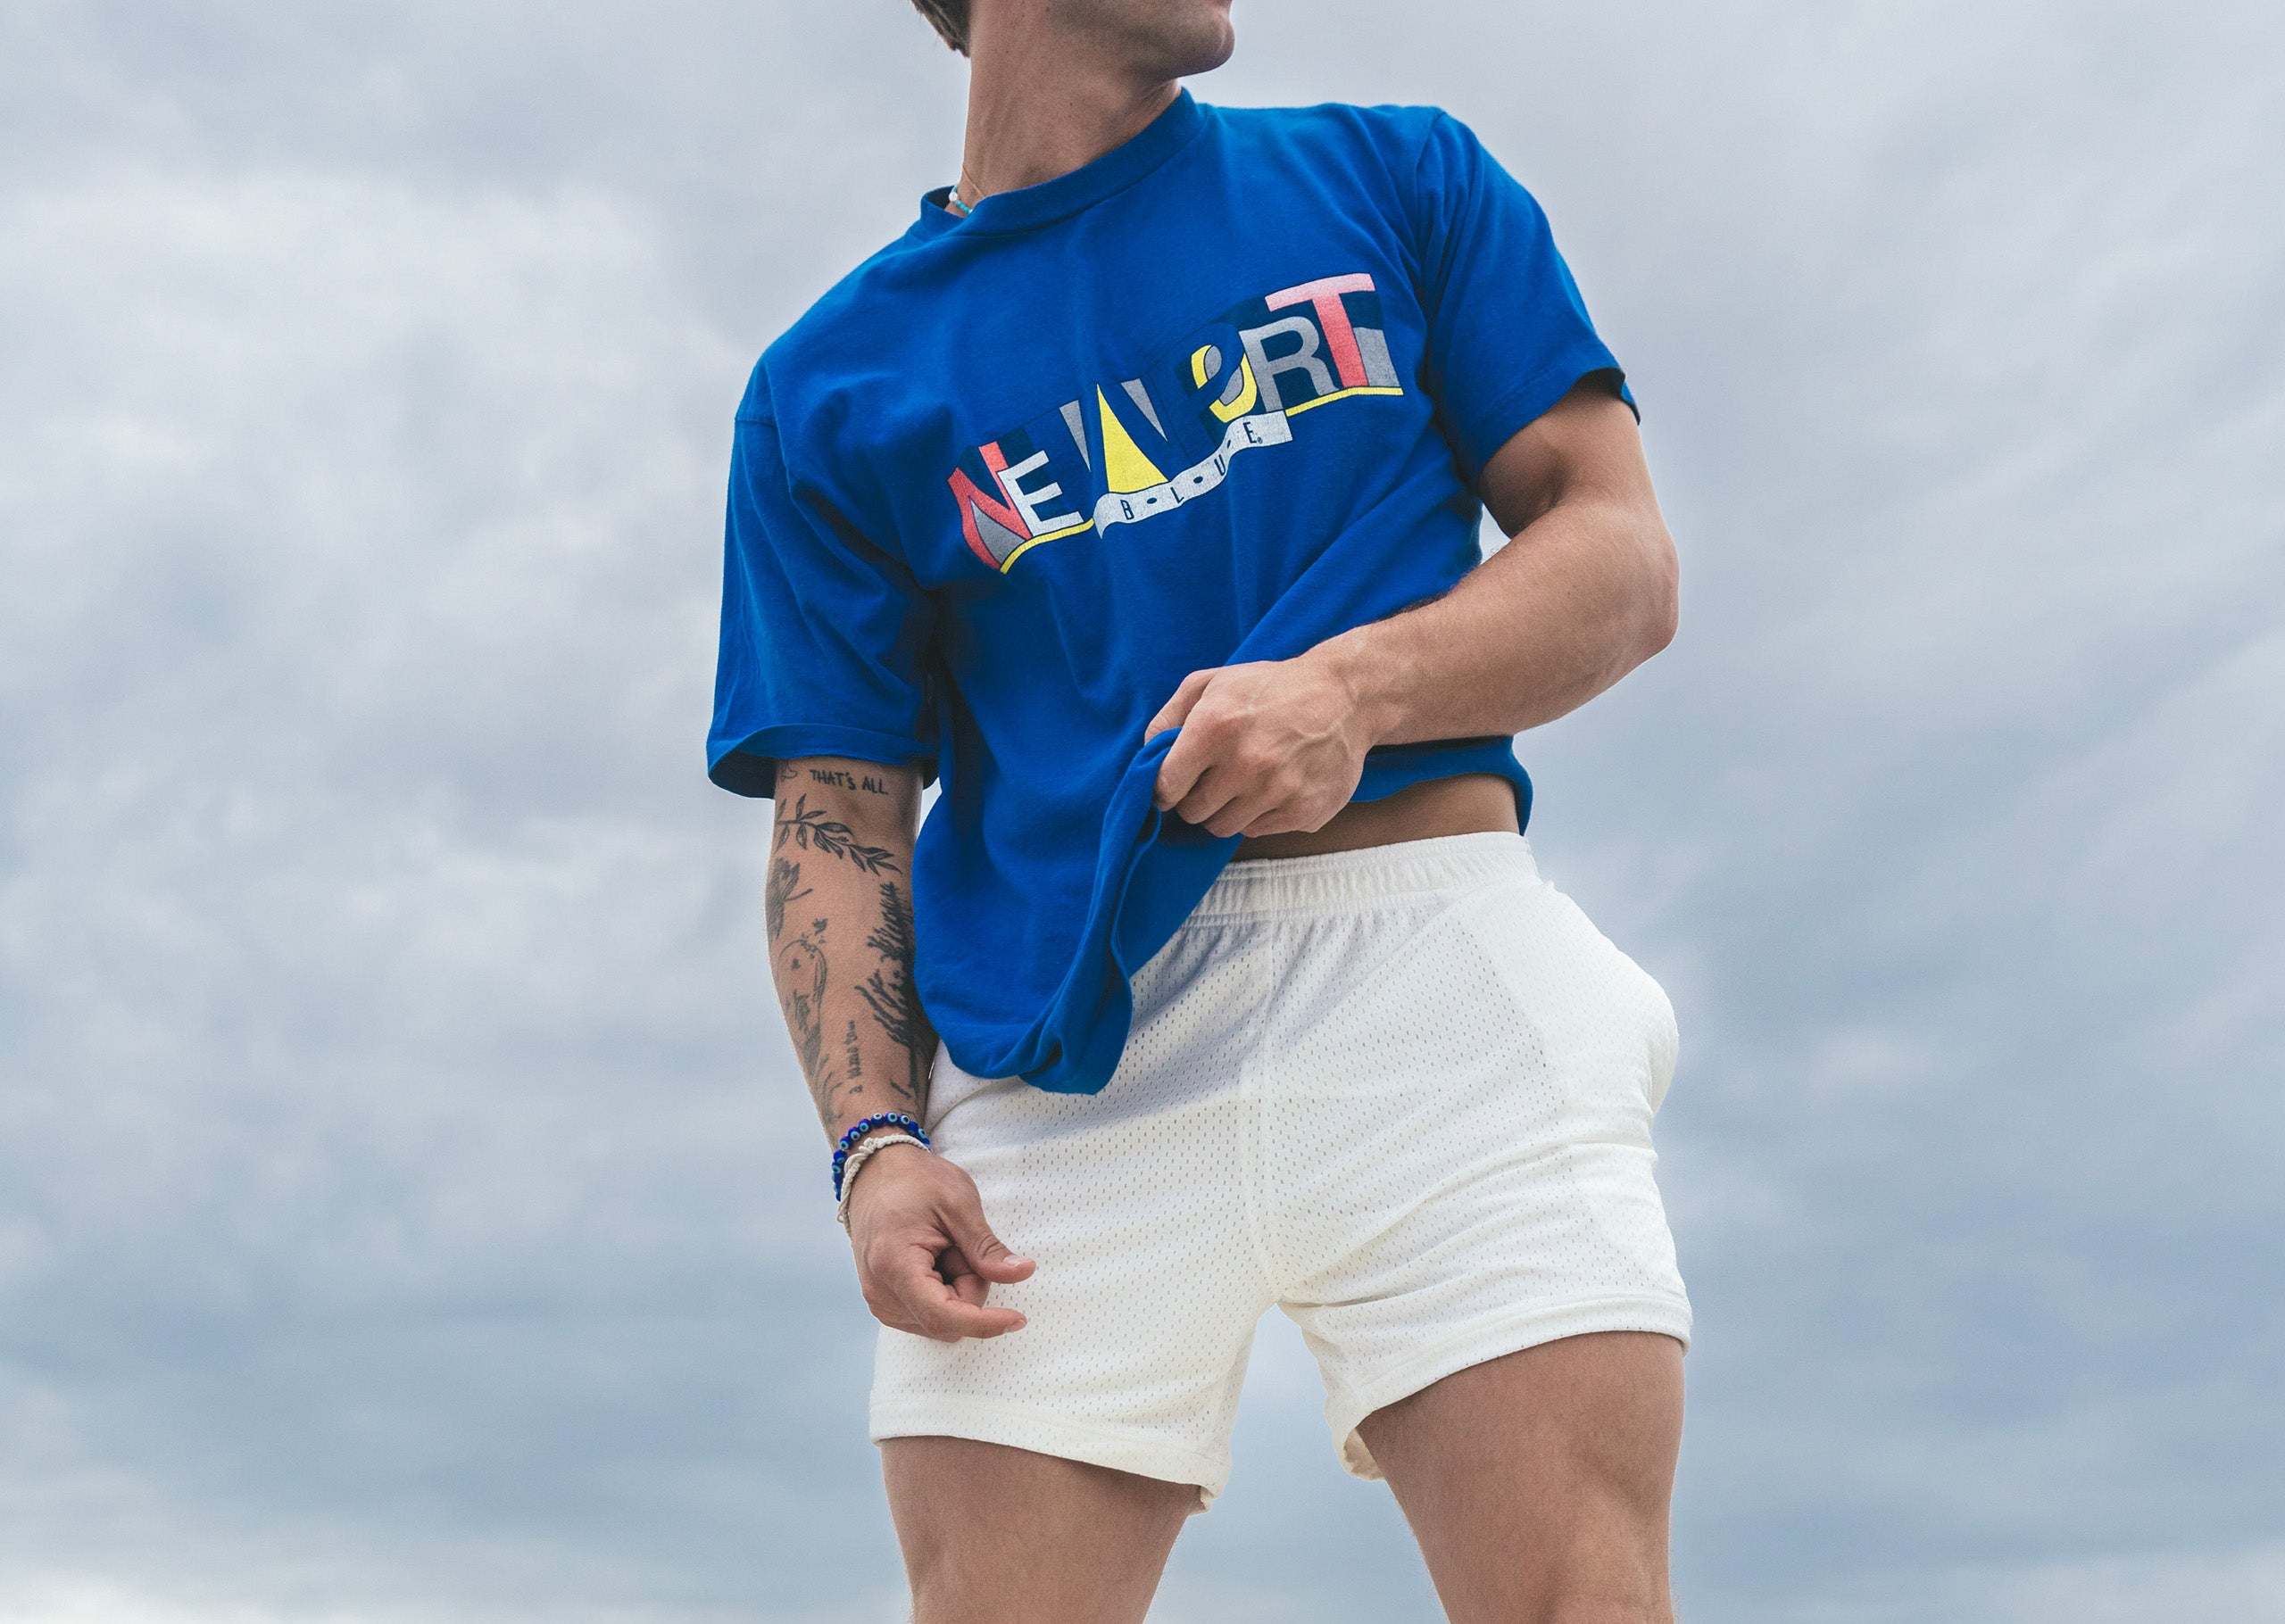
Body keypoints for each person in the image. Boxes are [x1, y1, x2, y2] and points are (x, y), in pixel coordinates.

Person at [706, 1, 1691, 1618]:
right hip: (1060, 1069)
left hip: (1434, 988)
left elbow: (1622, 558)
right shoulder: (831, 384)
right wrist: (874, 1146)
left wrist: (1358, 690)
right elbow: (837, 817)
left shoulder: (1396, 175)